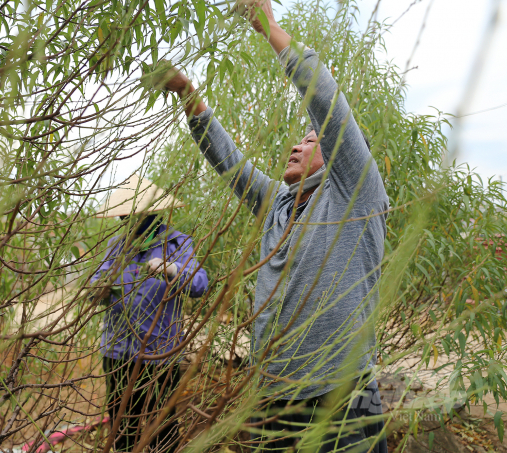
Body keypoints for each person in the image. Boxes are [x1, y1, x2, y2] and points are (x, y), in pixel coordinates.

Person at [155, 1, 389, 451]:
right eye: (297, 140)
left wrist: (270, 30)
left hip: (341, 392)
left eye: (310, 140)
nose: (298, 146)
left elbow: (327, 104)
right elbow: (229, 163)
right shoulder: (278, 204)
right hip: (273, 395)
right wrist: (187, 95)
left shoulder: (354, 194)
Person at [91, 174, 209, 453]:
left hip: (160, 356)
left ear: (153, 214)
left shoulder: (177, 245)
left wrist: (171, 269)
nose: (129, 223)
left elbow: (199, 284)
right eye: (125, 217)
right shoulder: (116, 248)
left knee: (162, 430)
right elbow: (93, 290)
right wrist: (102, 287)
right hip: (117, 354)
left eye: (136, 216)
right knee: (121, 430)